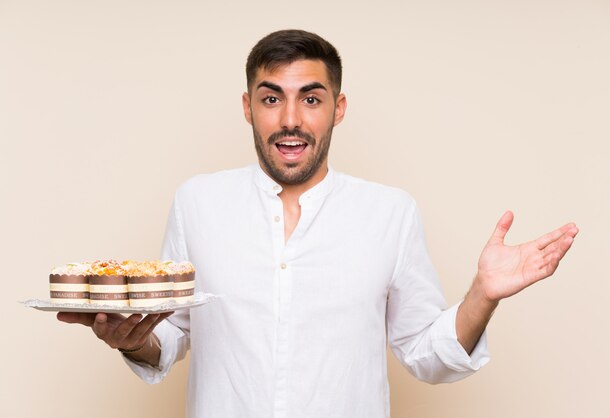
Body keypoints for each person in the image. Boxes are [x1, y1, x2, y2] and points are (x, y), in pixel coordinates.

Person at [58, 29, 578, 418]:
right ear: (247, 107)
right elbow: (169, 337)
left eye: (310, 98)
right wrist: (132, 339)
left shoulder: (390, 213)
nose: (290, 119)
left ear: (338, 108)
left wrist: (482, 295)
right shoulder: (197, 201)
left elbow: (426, 355)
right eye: (270, 98)